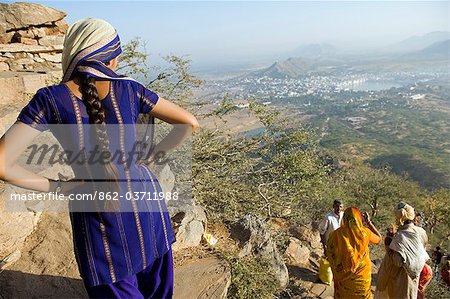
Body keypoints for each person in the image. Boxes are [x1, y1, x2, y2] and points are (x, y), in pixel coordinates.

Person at [0, 18, 199, 298]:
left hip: (99, 217)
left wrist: (59, 187)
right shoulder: (131, 89)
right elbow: (189, 122)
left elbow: (2, 164)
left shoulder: (50, 99)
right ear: (108, 59)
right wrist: (153, 155)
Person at [375, 202, 430, 299]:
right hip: (415, 275)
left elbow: (398, 262)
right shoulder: (421, 232)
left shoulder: (400, 236)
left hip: (400, 278)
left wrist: (389, 245)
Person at [326, 207, 381, 298]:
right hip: (362, 277)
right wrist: (368, 222)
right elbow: (379, 239)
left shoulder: (335, 235)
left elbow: (330, 253)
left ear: (344, 219)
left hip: (343, 278)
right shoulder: (365, 233)